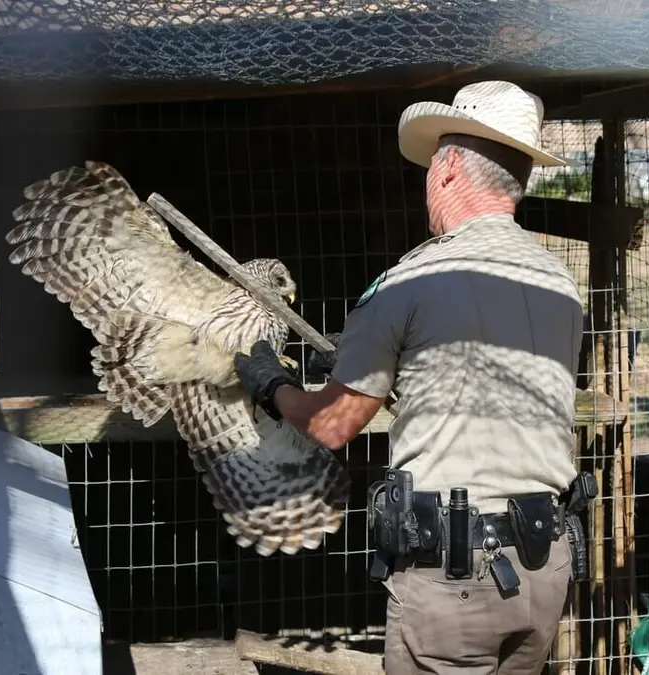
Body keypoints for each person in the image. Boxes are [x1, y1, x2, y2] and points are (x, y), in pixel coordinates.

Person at [232, 80, 593, 673]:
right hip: (544, 567)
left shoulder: (412, 279)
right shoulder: (558, 282)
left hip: (457, 577)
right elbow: (486, 388)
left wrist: (273, 385)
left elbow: (332, 425)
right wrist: (394, 367)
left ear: (449, 169)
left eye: (430, 166)